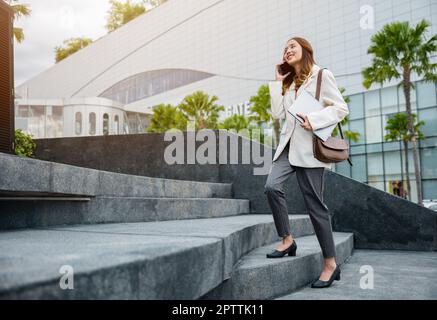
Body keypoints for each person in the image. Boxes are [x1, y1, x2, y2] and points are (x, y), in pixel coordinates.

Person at [264, 37, 349, 289]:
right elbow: (278, 113)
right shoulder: (289, 82)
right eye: (285, 48)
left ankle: (330, 264)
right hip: (287, 147)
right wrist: (278, 82)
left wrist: (315, 119)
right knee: (271, 187)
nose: (288, 50)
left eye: (293, 46)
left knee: (315, 206)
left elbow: (340, 108)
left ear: (305, 50)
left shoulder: (322, 75)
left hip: (310, 150)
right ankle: (288, 239)